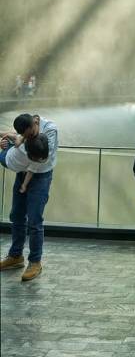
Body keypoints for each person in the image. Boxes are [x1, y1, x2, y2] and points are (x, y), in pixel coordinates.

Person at [0, 112, 59, 281]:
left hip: (41, 176)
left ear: (35, 123)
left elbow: (42, 159)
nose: (28, 137)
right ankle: (15, 256)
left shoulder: (50, 130)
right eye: (25, 136)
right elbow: (18, 139)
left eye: (31, 134)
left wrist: (26, 180)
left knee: (34, 219)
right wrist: (11, 140)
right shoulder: (27, 128)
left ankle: (35, 262)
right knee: (16, 215)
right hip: (23, 173)